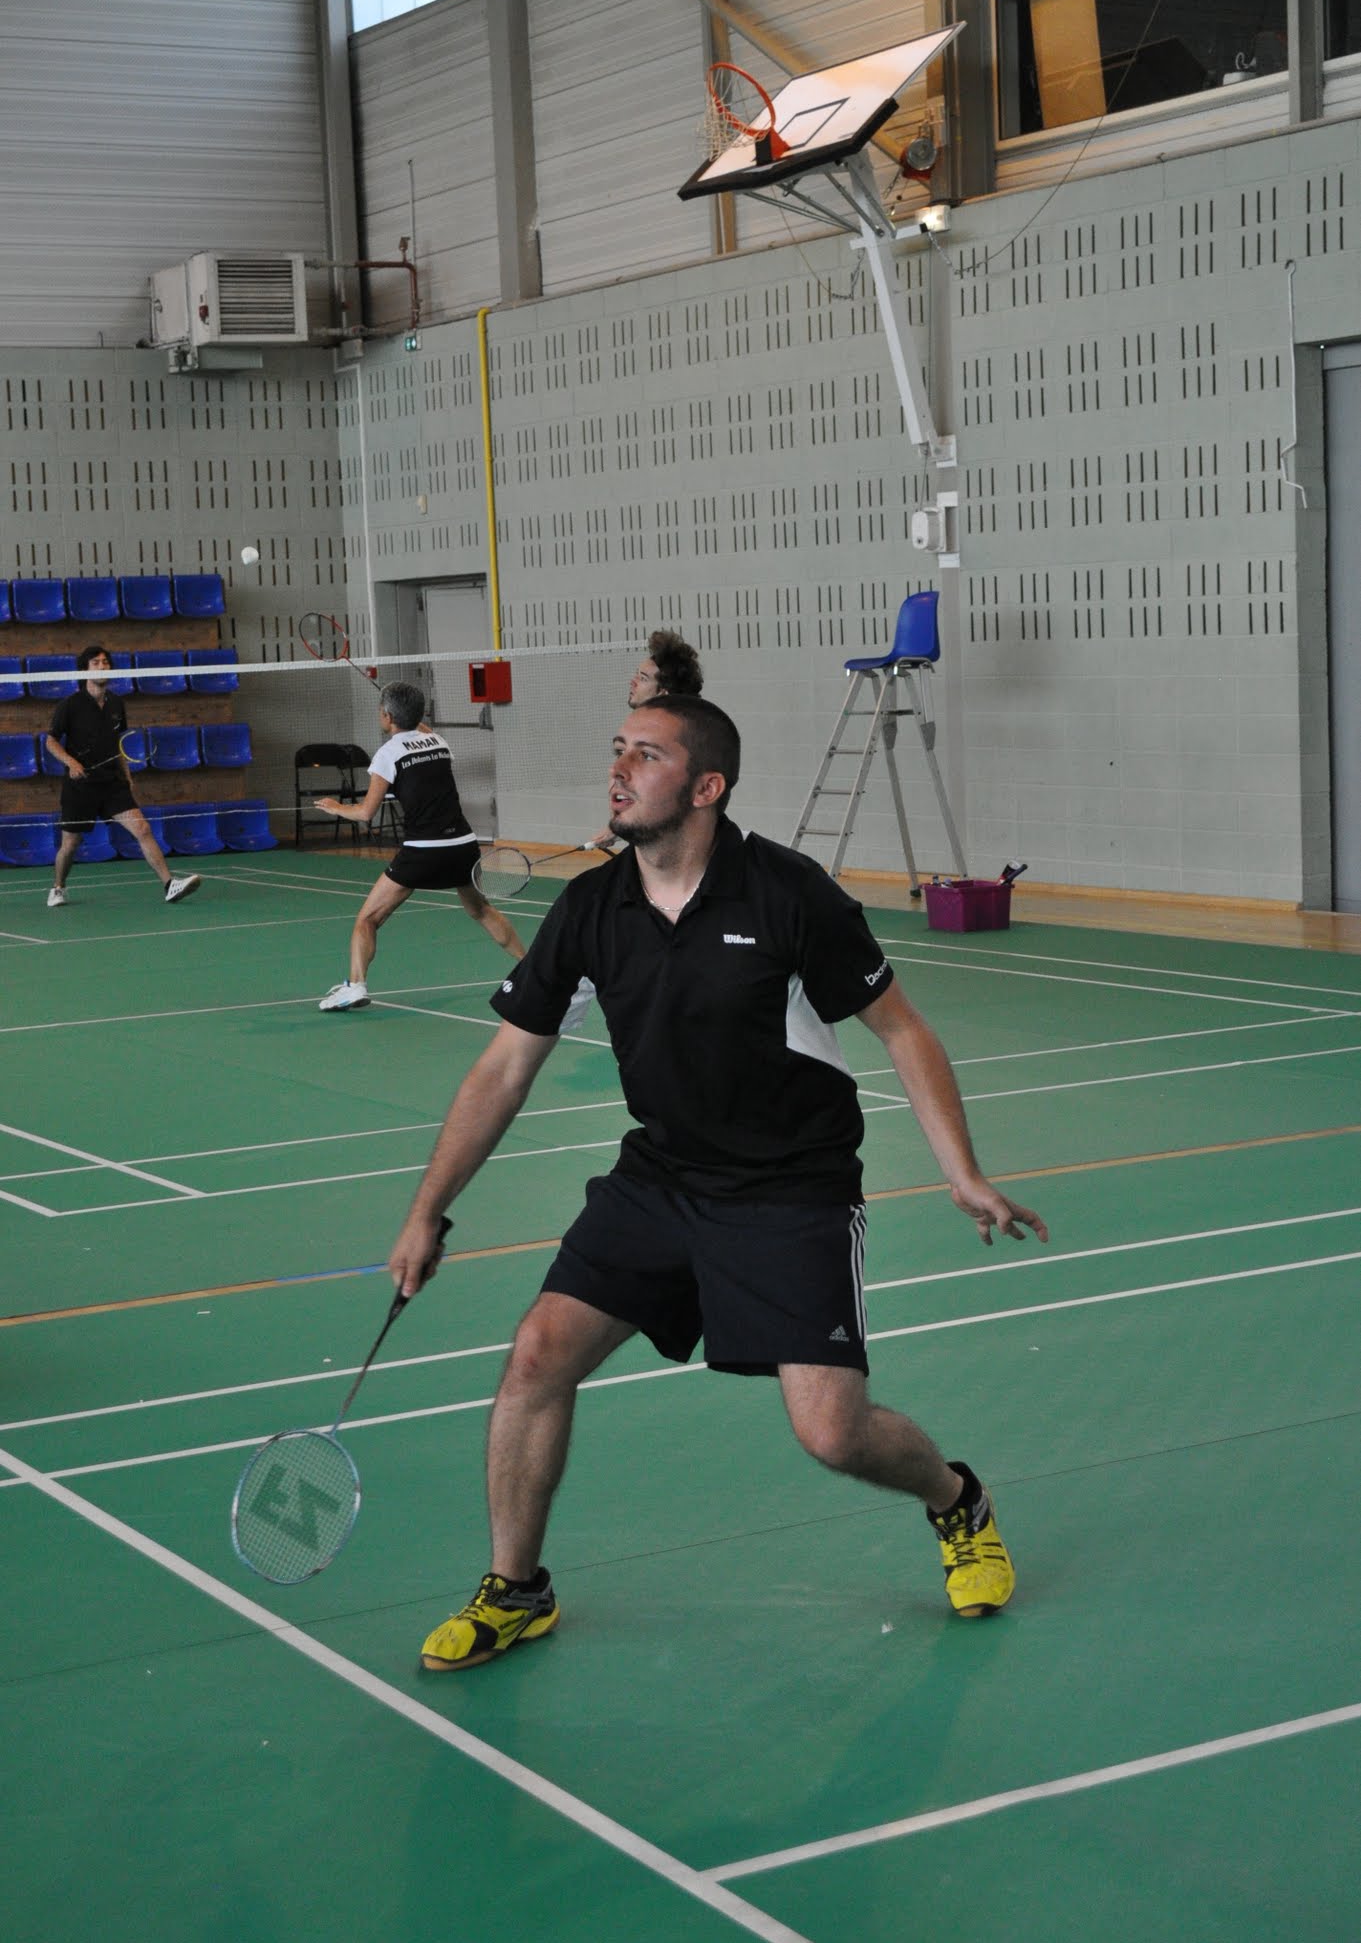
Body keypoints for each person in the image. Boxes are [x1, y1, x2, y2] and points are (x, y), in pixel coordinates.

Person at [388, 693, 1048, 1673]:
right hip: (661, 1175)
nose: (618, 770)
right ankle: (516, 1587)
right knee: (536, 1356)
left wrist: (962, 1171)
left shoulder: (785, 894)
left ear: (705, 787)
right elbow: (503, 1068)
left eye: (645, 755)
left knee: (832, 1434)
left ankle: (956, 1500)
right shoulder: (590, 907)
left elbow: (901, 1029)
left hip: (791, 1190)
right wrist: (426, 1209)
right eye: (617, 749)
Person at [314, 680, 525, 1011]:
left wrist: (336, 807)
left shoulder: (387, 755)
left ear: (387, 716)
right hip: (463, 846)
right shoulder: (439, 742)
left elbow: (366, 813)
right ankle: (533, 968)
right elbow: (420, 731)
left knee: (367, 919)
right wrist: (410, 717)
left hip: (423, 852)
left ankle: (355, 986)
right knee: (481, 910)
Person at [45, 646, 200, 908]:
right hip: (80, 786)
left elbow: (117, 743)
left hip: (112, 783)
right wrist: (71, 762)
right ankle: (58, 887)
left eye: (106, 662)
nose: (102, 666)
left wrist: (126, 775)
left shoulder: (117, 704)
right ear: (85, 669)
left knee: (142, 829)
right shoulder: (70, 705)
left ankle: (169, 884)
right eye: (96, 663)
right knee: (71, 843)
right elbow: (50, 741)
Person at [586, 630, 704, 852]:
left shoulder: (675, 739)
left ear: (662, 692)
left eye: (643, 678)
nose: (633, 682)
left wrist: (620, 826)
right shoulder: (656, 731)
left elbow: (666, 797)